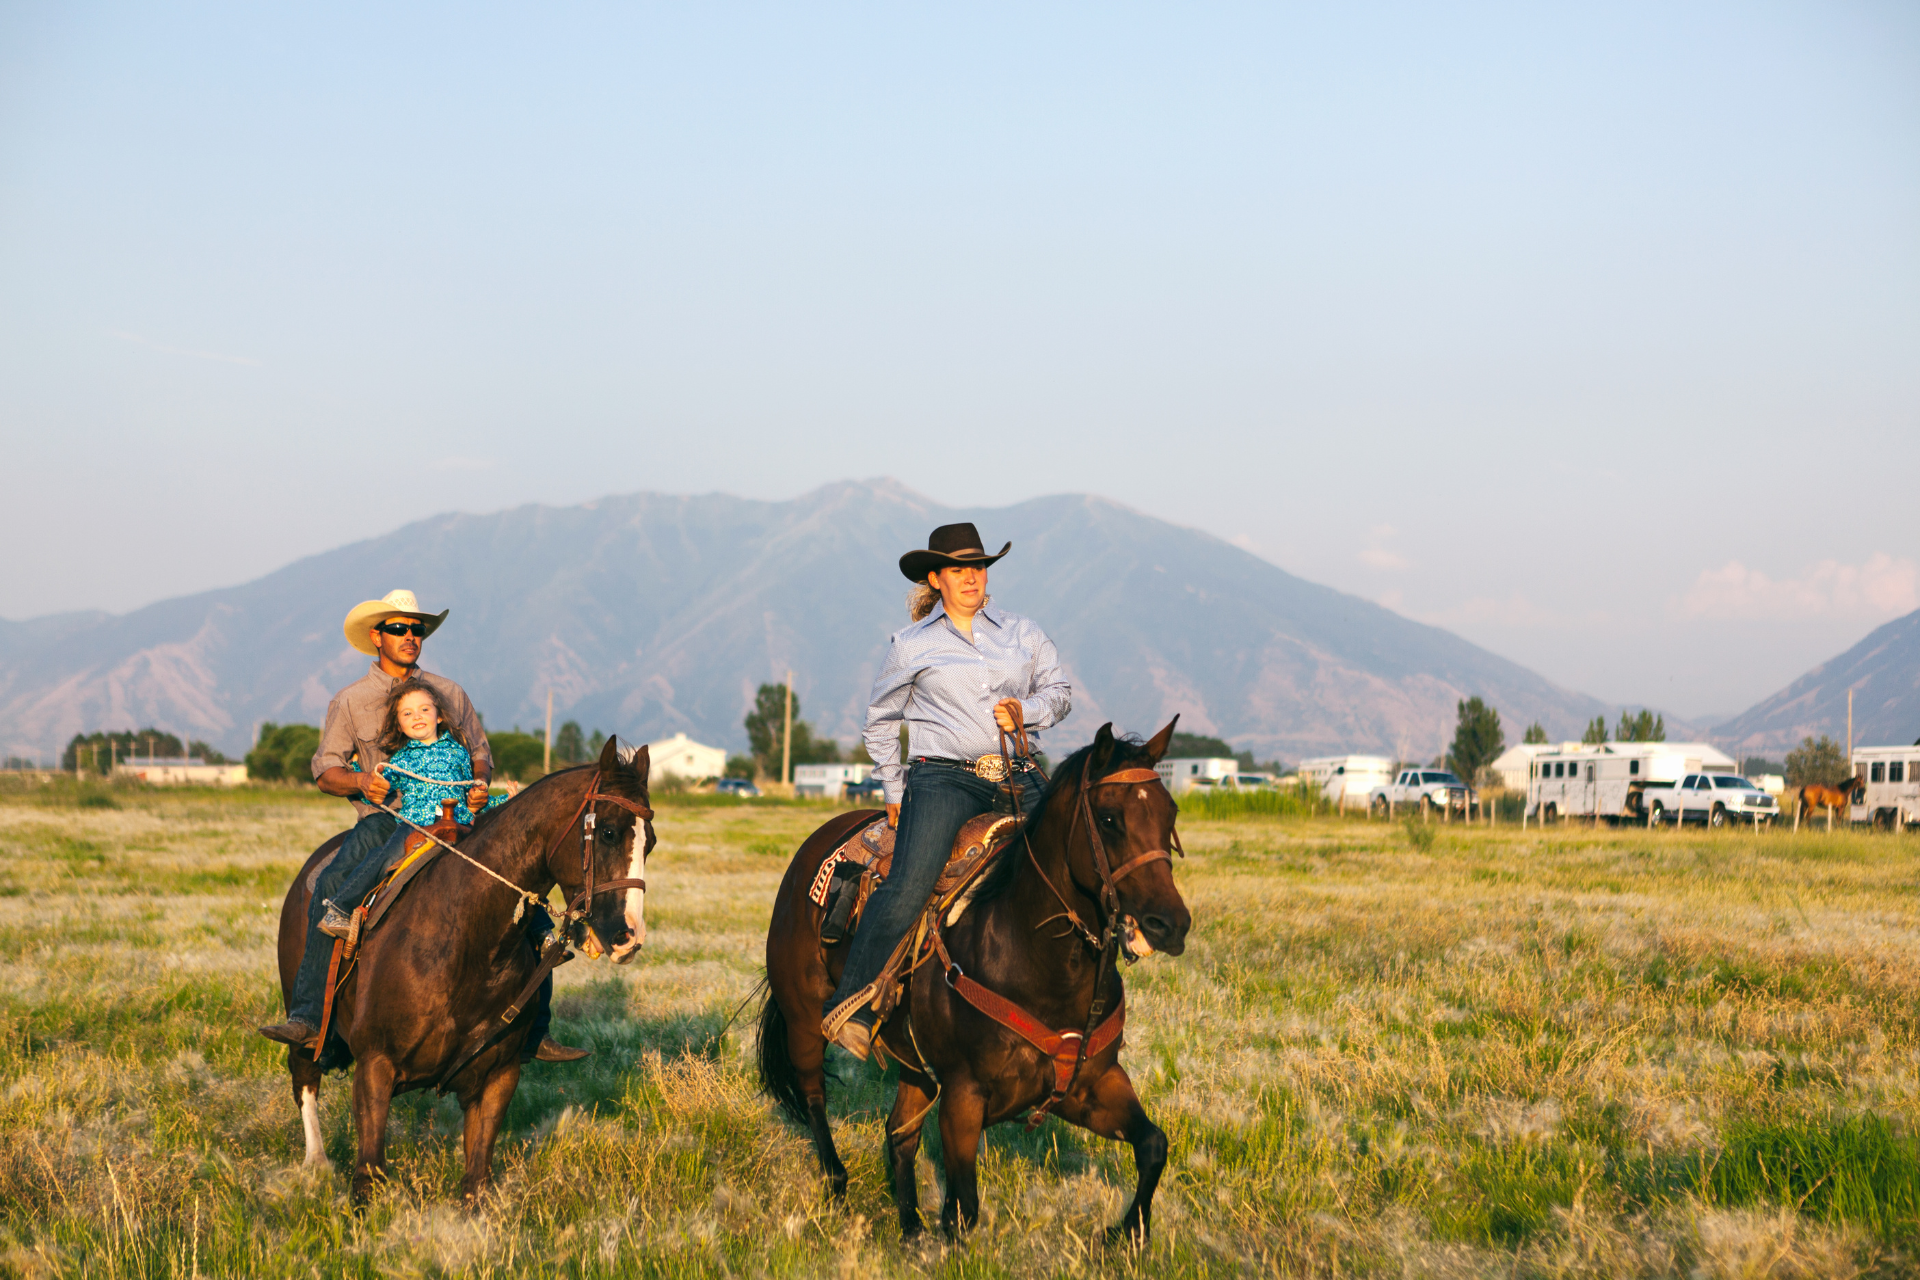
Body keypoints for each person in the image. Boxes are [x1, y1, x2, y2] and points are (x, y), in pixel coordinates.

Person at [258, 588, 587, 1063]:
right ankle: (312, 1020)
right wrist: (359, 781)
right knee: (329, 885)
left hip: (460, 820)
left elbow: (480, 753)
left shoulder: (450, 693)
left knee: (521, 889)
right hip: (385, 822)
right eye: (398, 629)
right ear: (377, 636)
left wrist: (478, 784)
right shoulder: (350, 701)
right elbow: (325, 770)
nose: (410, 636)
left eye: (417, 630)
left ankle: (536, 1031)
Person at [821, 523, 1072, 1060]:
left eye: (978, 568)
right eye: (958, 570)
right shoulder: (912, 644)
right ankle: (854, 1007)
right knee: (910, 883)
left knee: (1071, 847)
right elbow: (881, 721)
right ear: (935, 578)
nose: (971, 578)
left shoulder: (1022, 631)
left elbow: (1060, 691)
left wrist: (1031, 711)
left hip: (1015, 770)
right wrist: (894, 785)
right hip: (943, 777)